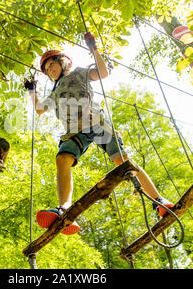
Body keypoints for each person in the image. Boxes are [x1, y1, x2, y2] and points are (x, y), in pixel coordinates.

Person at [24, 32, 173, 235]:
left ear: (63, 63)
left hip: (95, 122)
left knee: (123, 162)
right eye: (47, 69)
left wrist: (94, 49)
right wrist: (31, 90)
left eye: (52, 65)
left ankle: (159, 201)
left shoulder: (77, 73)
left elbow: (102, 73)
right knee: (62, 159)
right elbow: (40, 109)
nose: (50, 70)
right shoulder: (54, 92)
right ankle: (64, 209)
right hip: (75, 131)